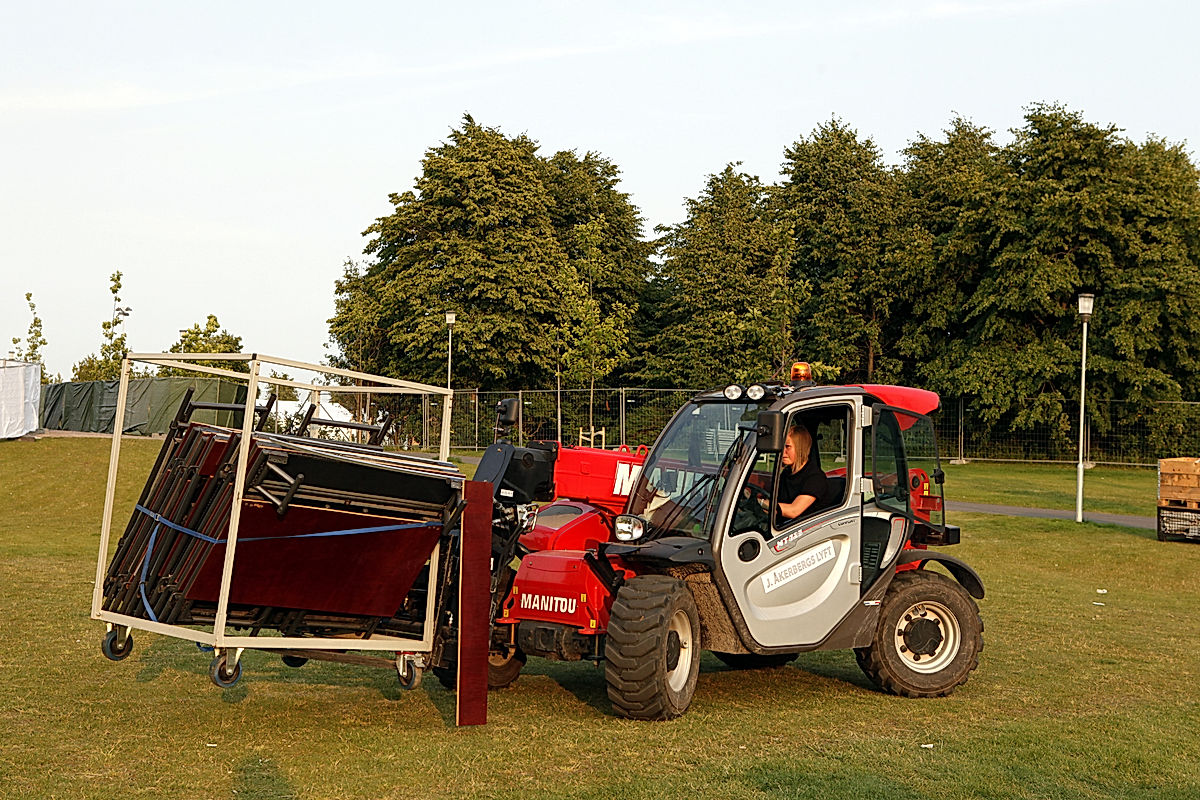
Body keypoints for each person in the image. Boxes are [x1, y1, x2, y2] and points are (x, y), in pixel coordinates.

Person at [776, 424, 830, 524]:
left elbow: (793, 511)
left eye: (787, 447)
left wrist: (762, 504)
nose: (783, 452)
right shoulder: (786, 474)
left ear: (800, 448)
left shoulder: (815, 478)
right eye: (781, 446)